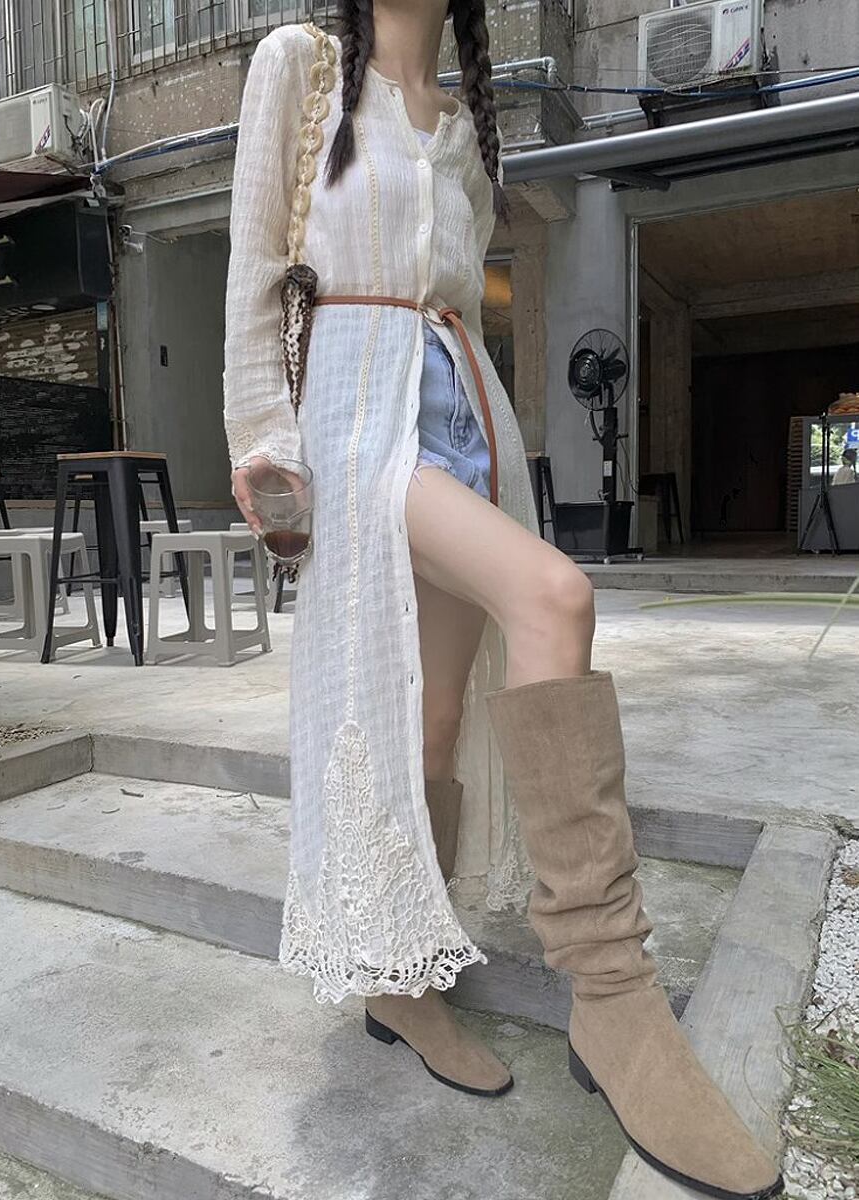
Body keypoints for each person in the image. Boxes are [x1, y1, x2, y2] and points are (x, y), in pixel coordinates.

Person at [224, 4, 783, 1197]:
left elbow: (461, 300)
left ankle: (399, 982)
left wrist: (485, 433)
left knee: (436, 721)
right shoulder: (303, 65)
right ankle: (612, 996)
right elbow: (253, 272)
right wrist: (263, 444)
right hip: (356, 419)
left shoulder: (466, 121)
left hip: (462, 406)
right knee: (555, 596)